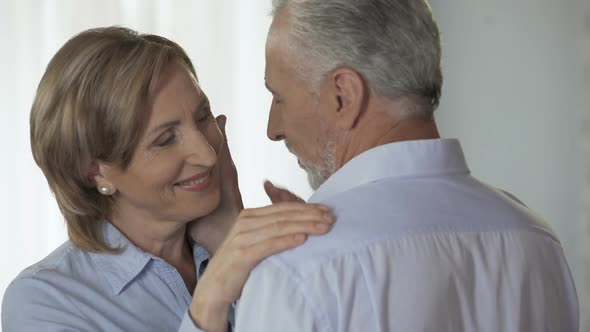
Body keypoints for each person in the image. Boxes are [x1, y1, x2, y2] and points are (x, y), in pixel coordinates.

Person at [235, 0, 580, 331]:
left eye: (279, 97)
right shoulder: (537, 241)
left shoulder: (298, 269)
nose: (272, 129)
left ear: (343, 95)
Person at [1, 27, 335, 332]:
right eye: (165, 139)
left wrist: (279, 266)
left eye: (203, 117)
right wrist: (209, 304)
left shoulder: (244, 252)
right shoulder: (44, 302)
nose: (206, 154)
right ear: (96, 171)